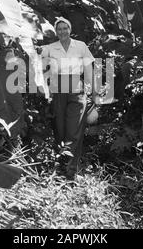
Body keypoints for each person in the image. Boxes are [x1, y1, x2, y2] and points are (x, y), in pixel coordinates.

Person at [39, 17, 97, 178]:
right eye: (59, 29)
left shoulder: (80, 46)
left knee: (75, 127)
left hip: (76, 89)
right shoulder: (51, 48)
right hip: (57, 90)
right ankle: (62, 169)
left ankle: (70, 166)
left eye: (65, 28)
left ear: (70, 29)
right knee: (60, 127)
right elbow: (40, 64)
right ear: (56, 32)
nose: (63, 31)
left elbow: (88, 69)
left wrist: (93, 91)